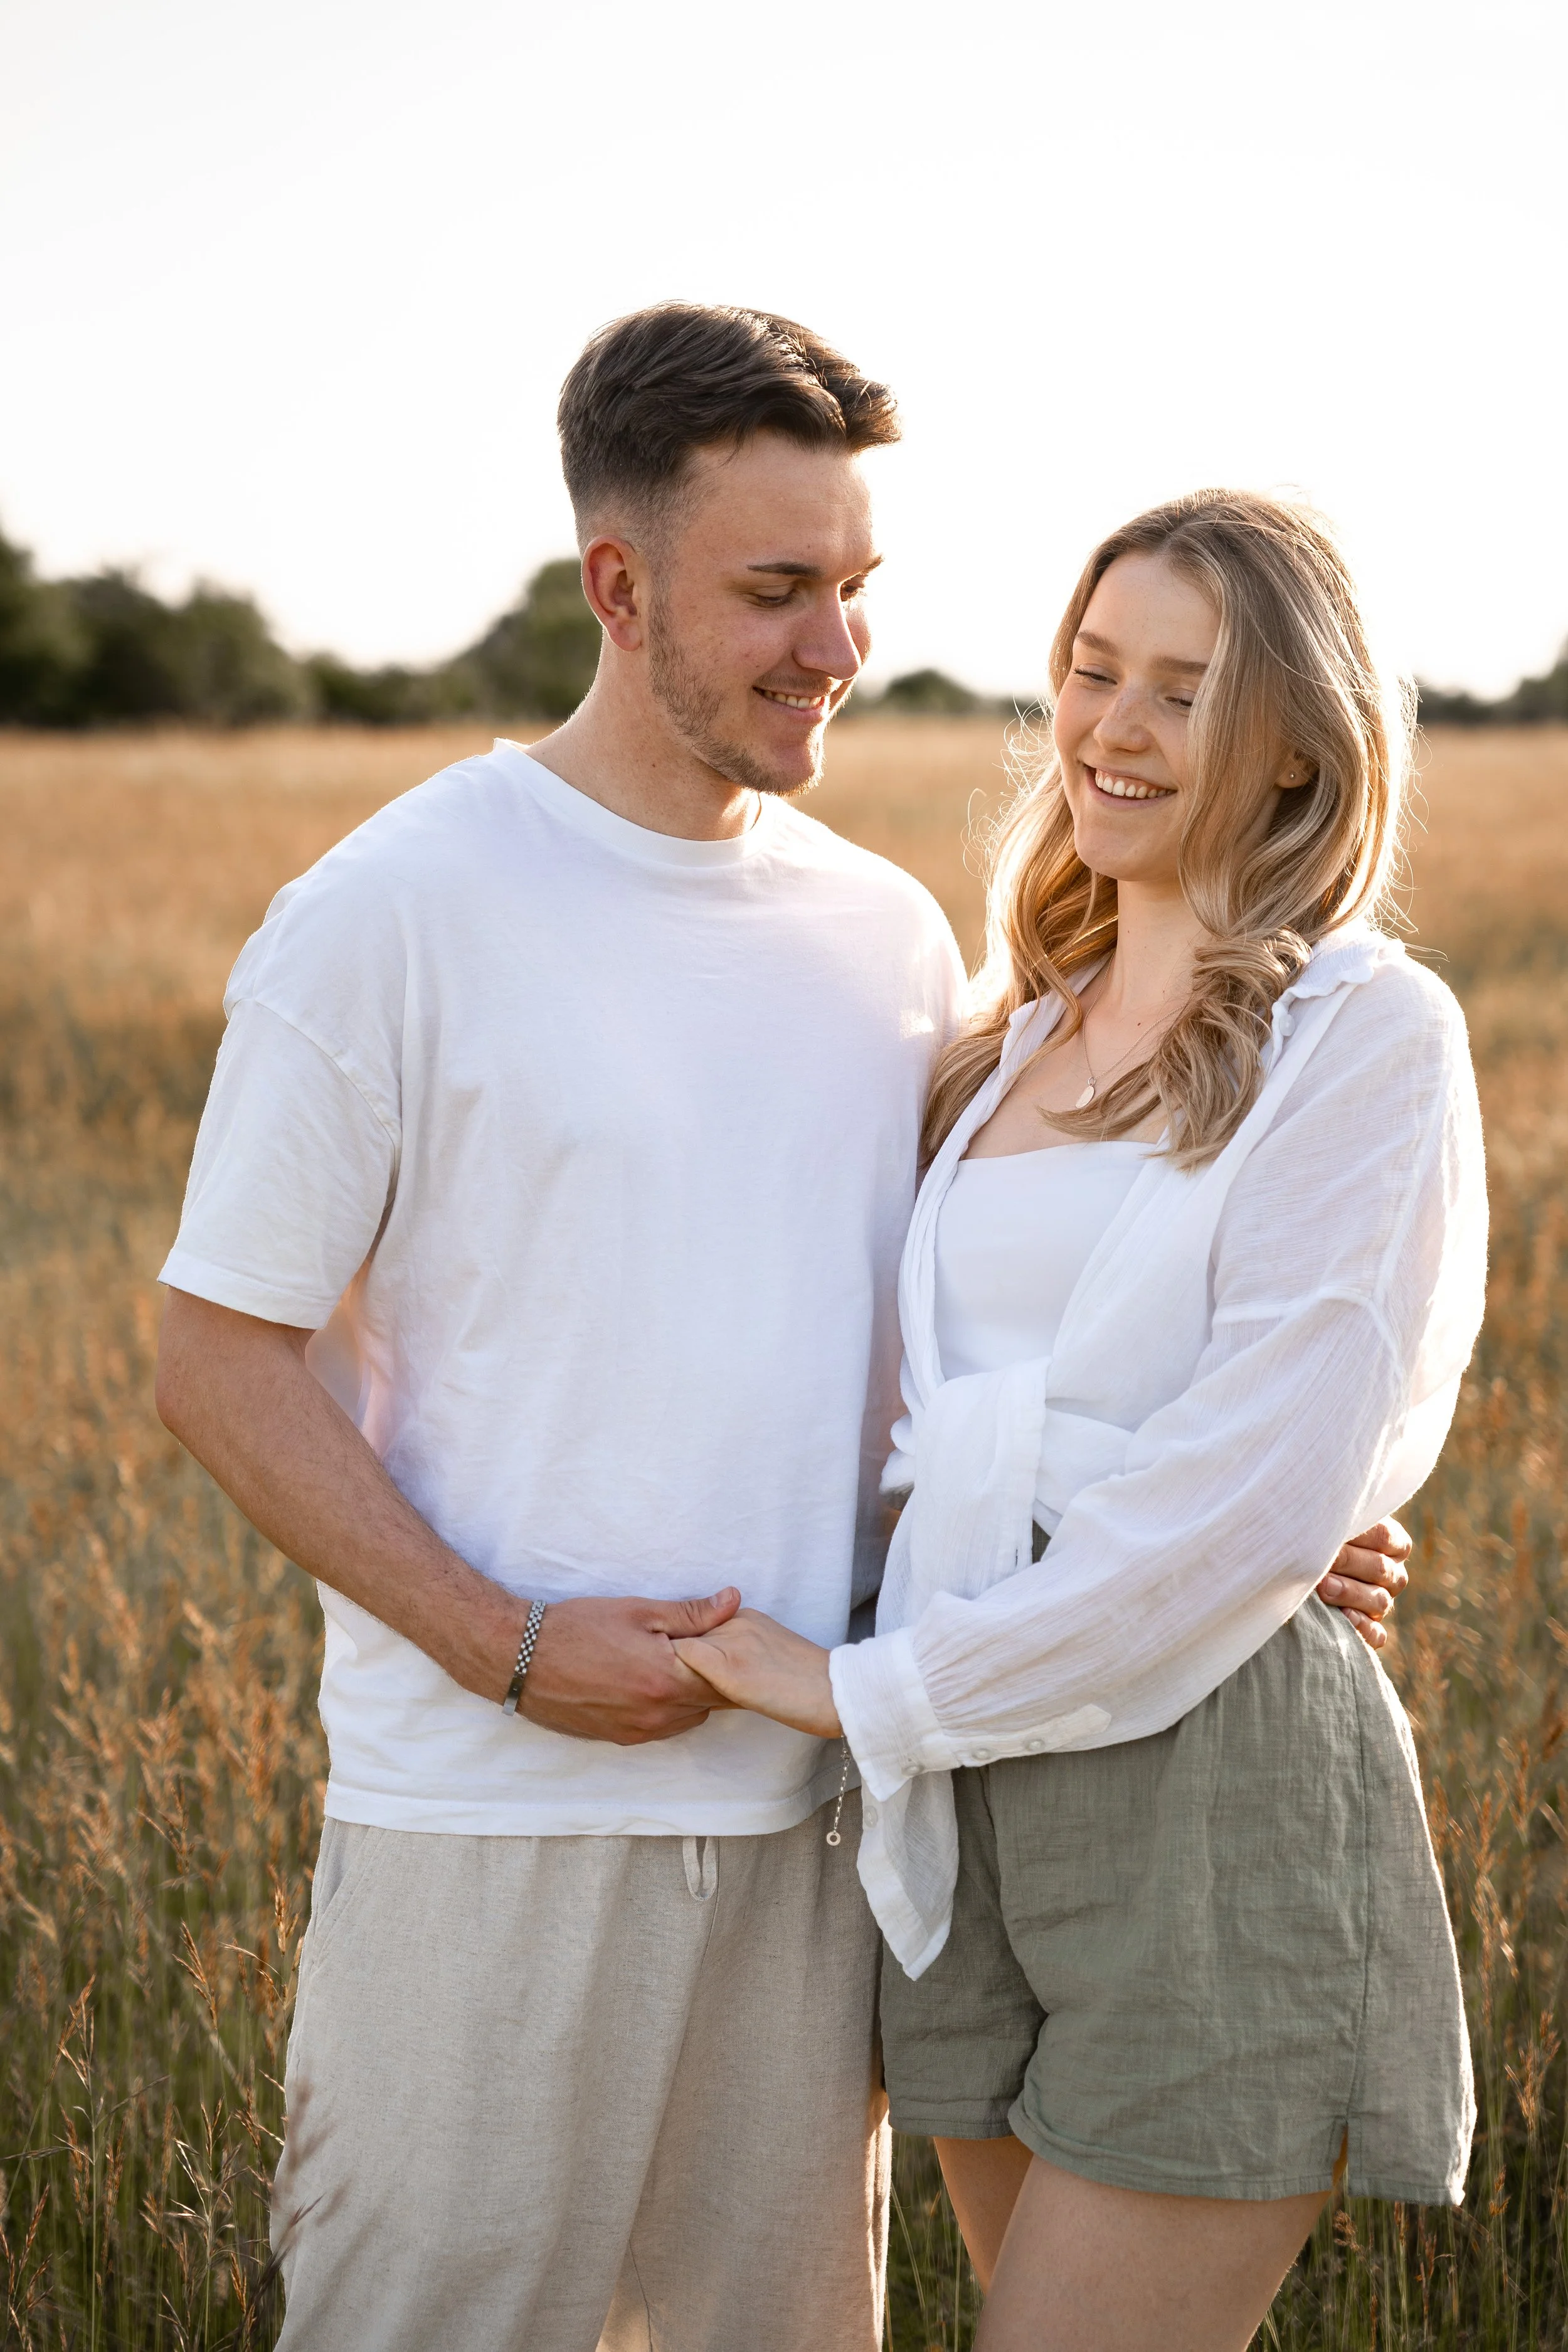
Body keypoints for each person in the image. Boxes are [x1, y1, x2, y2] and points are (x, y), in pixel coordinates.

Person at [154, 305, 1406, 2352]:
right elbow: (215, 1358)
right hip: (492, 1824)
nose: (835, 643)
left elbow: (964, 1349)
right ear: (616, 585)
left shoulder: (886, 938)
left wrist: (1246, 1536)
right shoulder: (393, 910)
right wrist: (509, 1644)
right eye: (773, 590)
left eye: (853, 587)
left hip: (830, 1829)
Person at [676, 490, 1486, 2352]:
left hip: (1192, 1763)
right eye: (1091, 670)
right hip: (965, 1802)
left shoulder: (1361, 1030)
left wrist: (854, 1687)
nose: (1109, 728)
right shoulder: (999, 1043)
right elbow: (899, 1406)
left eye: (1182, 692)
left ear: (1295, 741)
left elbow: (1255, 1482)